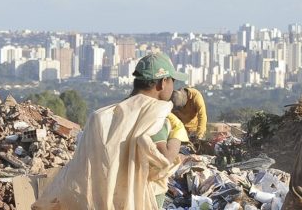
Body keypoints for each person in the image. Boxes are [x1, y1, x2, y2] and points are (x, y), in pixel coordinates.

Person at [32, 52, 188, 210]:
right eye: (172, 81)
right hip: (141, 200)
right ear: (163, 82)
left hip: (105, 200)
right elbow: (165, 159)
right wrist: (177, 134)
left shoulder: (104, 116)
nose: (173, 87)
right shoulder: (153, 114)